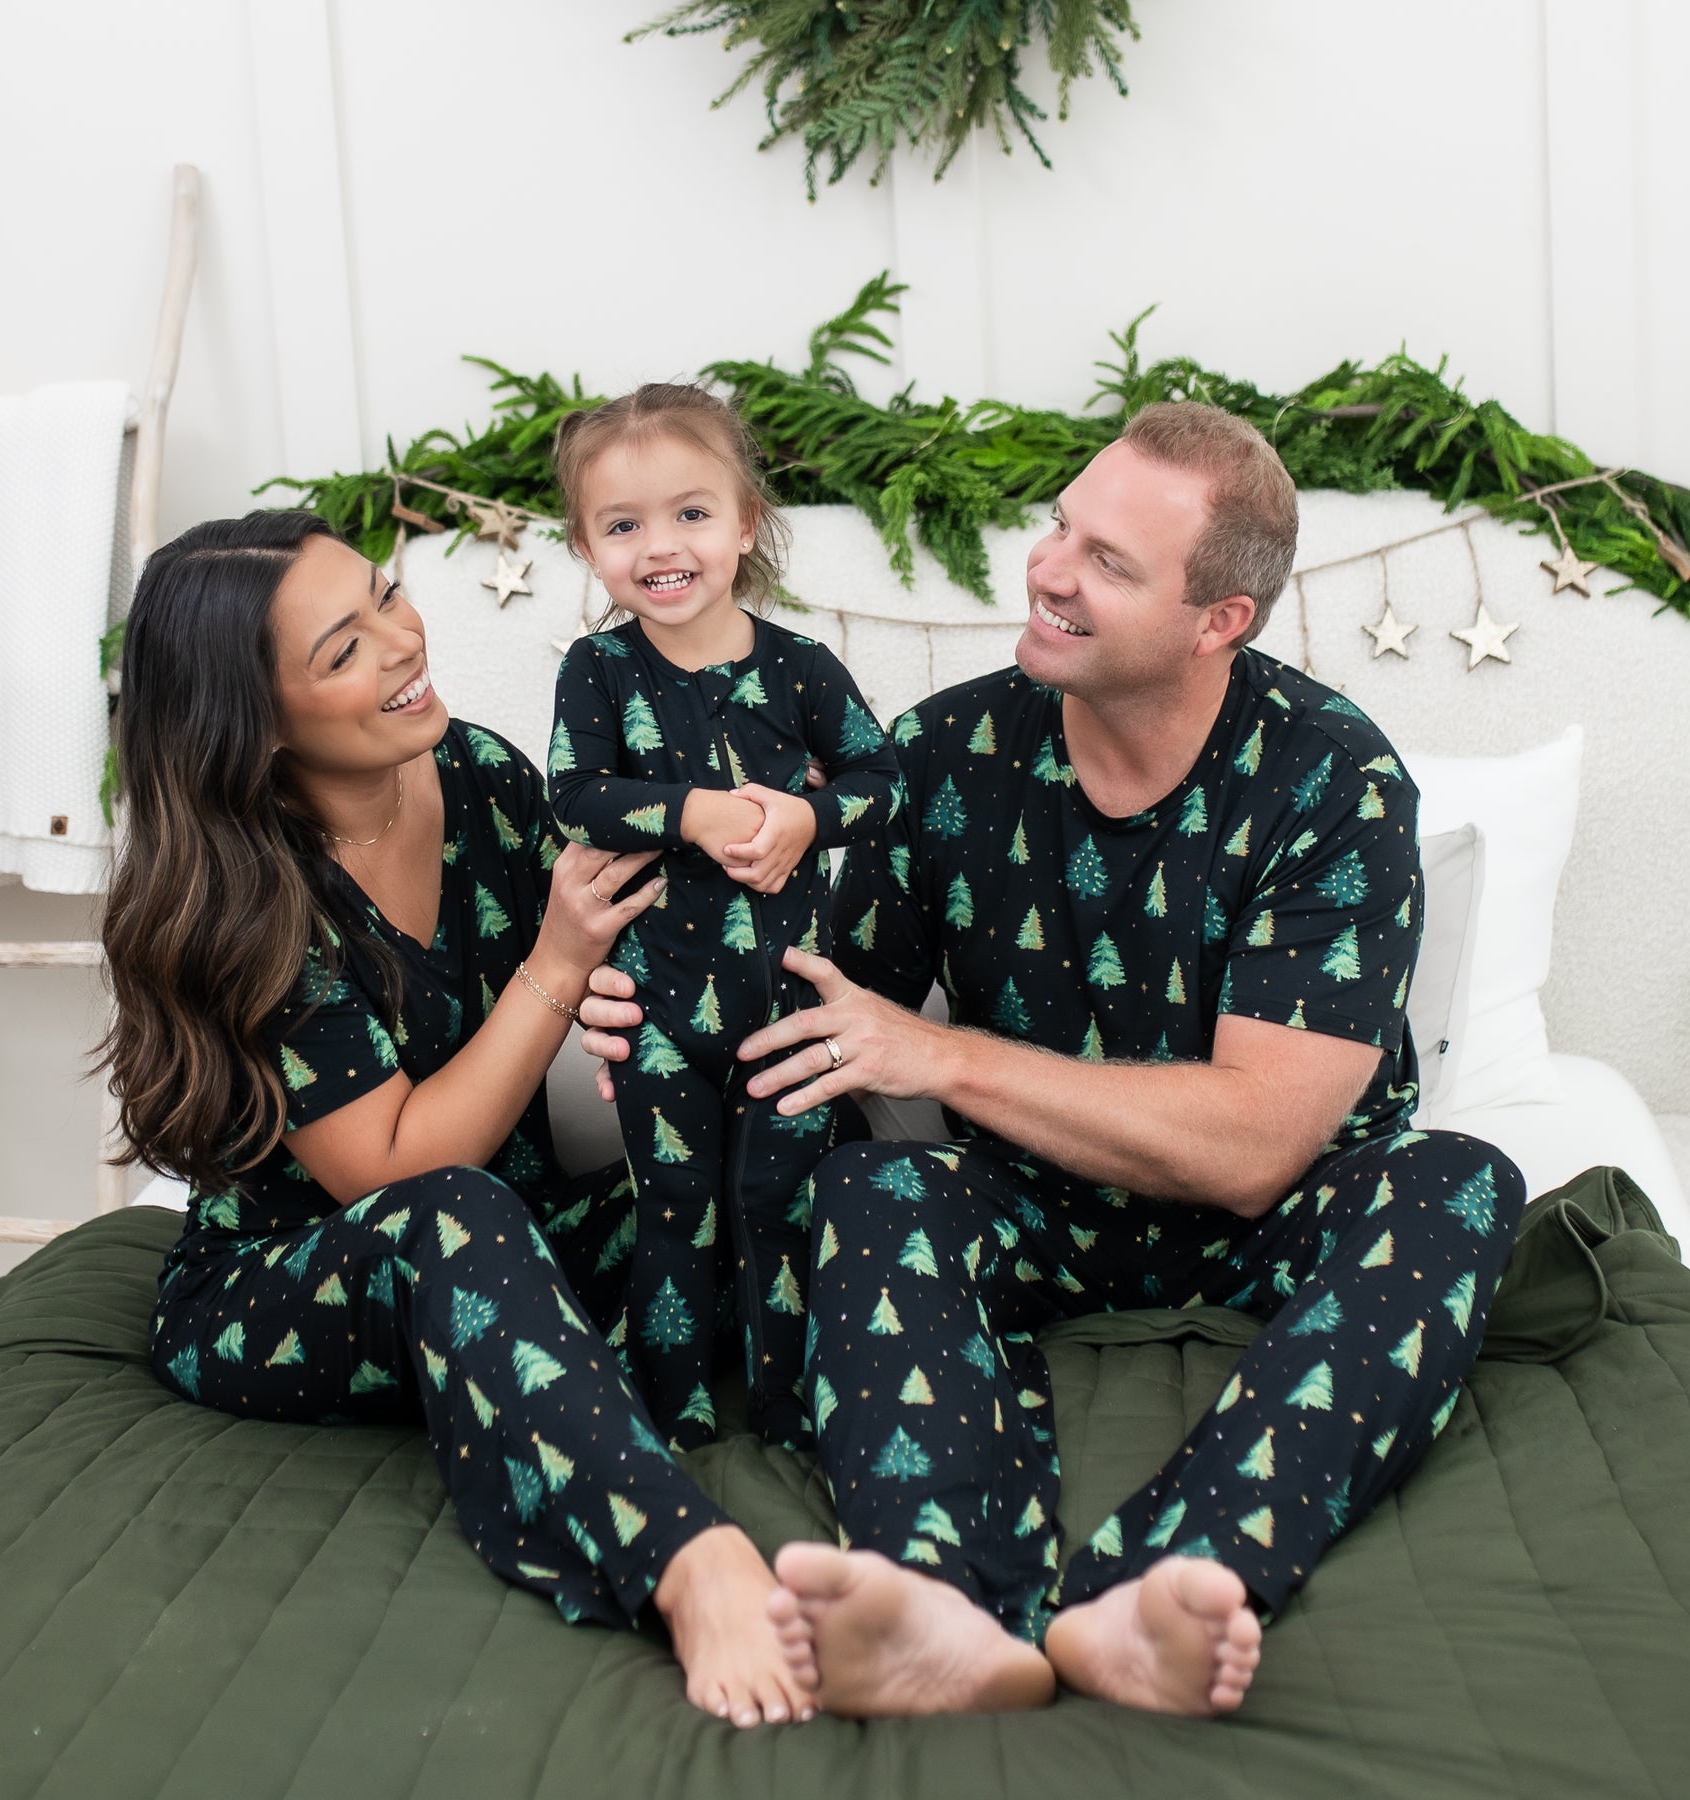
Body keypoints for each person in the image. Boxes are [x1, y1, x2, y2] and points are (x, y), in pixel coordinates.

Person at [581, 403, 1529, 1719]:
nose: (1049, 569)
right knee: (874, 1190)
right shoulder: (947, 755)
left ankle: (1173, 1585)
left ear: (1220, 624)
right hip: (1030, 1202)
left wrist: (945, 1059)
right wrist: (633, 1011)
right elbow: (819, 1011)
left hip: (1276, 1216)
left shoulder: (1333, 782)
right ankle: (944, 1601)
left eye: (1109, 562)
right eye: (1060, 528)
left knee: (1462, 1183)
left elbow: (1259, 1149)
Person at [99, 509, 812, 1728]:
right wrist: (558, 963)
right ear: (253, 724)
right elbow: (396, 1169)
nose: (400, 639)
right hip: (302, 1275)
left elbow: (627, 931)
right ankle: (689, 1562)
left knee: (757, 1165)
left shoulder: (475, 772)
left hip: (512, 1228)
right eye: (343, 649)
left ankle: (931, 1542)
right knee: (450, 1215)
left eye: (384, 594)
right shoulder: (254, 905)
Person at [549, 385, 898, 1451]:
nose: (662, 546)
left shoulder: (800, 668)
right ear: (588, 547)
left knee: (778, 1203)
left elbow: (881, 780)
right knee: (675, 1205)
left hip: (787, 1010)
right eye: (623, 525)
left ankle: (789, 1401)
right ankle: (675, 1396)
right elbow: (575, 795)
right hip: (661, 1014)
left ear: (746, 523)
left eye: (691, 514)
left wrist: (806, 815)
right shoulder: (599, 671)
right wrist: (693, 813)